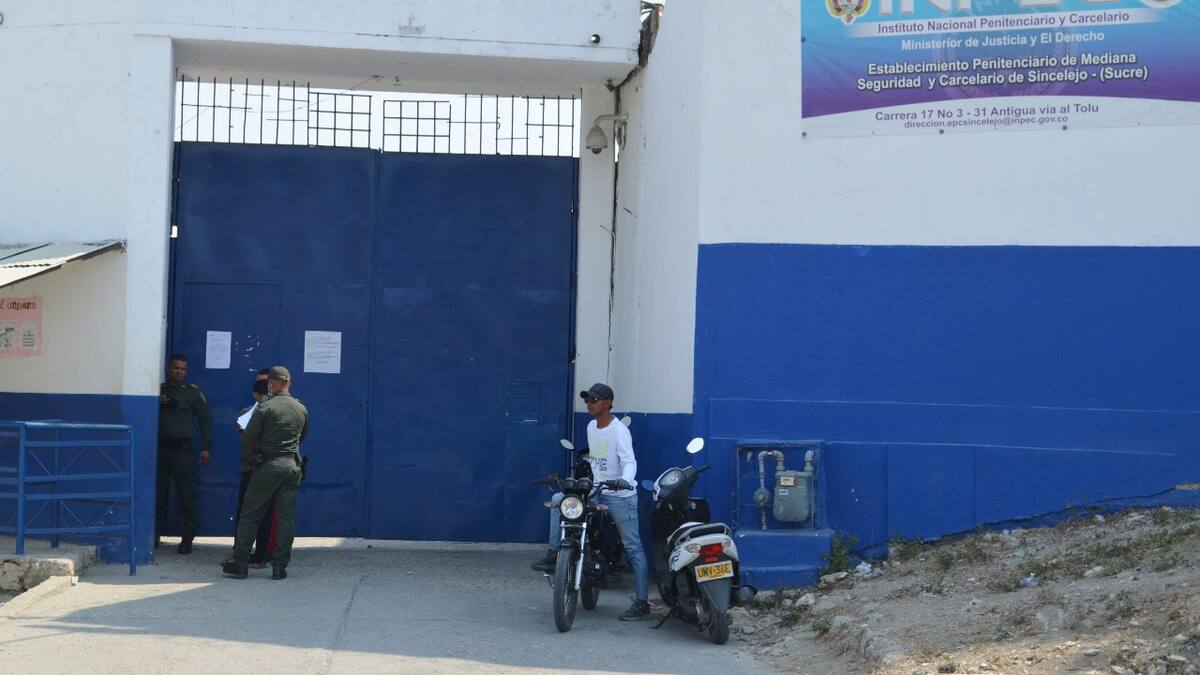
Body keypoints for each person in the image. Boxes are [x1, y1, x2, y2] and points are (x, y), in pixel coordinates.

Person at [533, 383, 652, 621]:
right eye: (587, 400)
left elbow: (629, 461)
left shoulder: (619, 431)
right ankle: (555, 552)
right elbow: (595, 460)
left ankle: (642, 603)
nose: (589, 404)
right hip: (596, 490)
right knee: (559, 499)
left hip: (620, 495)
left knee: (634, 548)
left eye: (594, 400)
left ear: (607, 403)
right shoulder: (591, 427)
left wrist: (625, 480)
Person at [222, 366, 309, 580]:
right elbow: (302, 436)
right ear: (289, 382)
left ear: (271, 384)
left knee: (250, 514)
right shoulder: (301, 408)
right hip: (292, 466)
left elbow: (249, 440)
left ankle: (240, 562)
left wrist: (244, 433)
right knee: (286, 518)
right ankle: (279, 567)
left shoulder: (265, 408)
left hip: (268, 466)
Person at [157, 354, 213, 555]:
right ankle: (153, 536)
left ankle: (187, 539)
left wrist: (206, 447)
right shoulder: (158, 390)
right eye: (176, 368)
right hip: (160, 452)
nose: (179, 372)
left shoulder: (192, 393)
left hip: (182, 452)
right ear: (167, 368)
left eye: (182, 369)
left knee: (187, 497)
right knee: (157, 496)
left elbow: (205, 420)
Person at [234, 376, 276, 568]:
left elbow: (244, 439)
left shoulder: (246, 413)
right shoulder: (277, 412)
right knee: (266, 514)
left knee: (245, 513)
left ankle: (239, 553)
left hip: (250, 468)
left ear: (254, 394)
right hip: (268, 468)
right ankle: (261, 555)